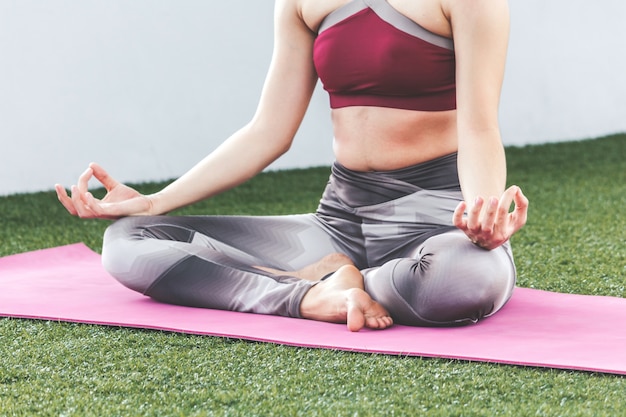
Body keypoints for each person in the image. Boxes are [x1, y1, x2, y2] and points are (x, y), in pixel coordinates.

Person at [56, 0, 528, 332]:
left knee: (464, 280)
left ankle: (345, 282)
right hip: (339, 222)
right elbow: (268, 131)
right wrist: (155, 200)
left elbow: (480, 127)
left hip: (434, 222)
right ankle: (310, 295)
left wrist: (481, 213)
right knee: (127, 241)